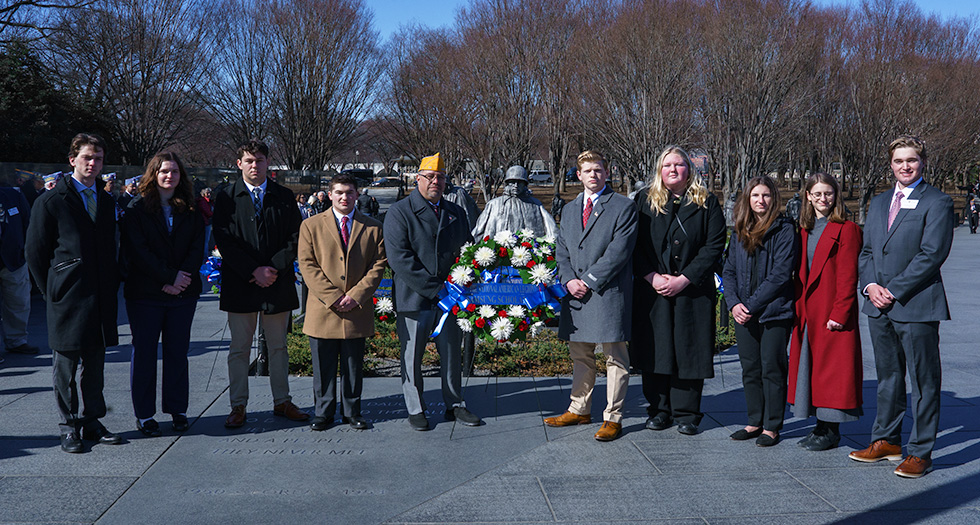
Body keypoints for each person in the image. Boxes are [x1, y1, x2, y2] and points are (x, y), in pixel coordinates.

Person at [850, 136, 953, 478]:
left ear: (922, 163)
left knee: (924, 380)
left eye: (911, 160)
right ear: (890, 164)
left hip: (916, 304)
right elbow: (867, 252)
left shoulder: (937, 202)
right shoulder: (879, 203)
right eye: (898, 161)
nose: (905, 166)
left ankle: (921, 451)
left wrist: (892, 290)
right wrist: (870, 286)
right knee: (888, 377)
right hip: (878, 305)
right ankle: (886, 441)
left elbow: (932, 254)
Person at [25, 133, 123, 453]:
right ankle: (69, 426)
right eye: (86, 158)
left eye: (98, 159)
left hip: (100, 294)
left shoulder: (107, 201)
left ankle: (92, 421)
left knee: (95, 363)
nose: (93, 164)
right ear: (72, 160)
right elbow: (36, 252)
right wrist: (52, 288)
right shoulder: (52, 201)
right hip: (67, 295)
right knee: (65, 365)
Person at [211, 138, 308, 428]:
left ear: (268, 163)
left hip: (276, 282)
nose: (255, 165)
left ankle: (282, 401)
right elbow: (223, 240)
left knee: (278, 347)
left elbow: (295, 237)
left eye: (260, 160)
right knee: (239, 348)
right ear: (239, 163)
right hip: (241, 283)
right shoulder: (226, 197)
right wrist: (253, 270)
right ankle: (238, 405)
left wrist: (272, 268)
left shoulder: (284, 195)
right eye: (249, 161)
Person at [631, 146, 726, 436]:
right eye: (667, 165)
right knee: (656, 348)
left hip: (692, 291)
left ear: (689, 169)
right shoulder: (644, 201)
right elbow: (632, 244)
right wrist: (651, 276)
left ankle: (687, 412)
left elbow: (714, 245)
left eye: (679, 165)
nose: (673, 170)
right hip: (653, 291)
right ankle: (659, 409)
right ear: (660, 170)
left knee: (689, 349)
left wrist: (685, 278)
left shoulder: (706, 202)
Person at [384, 152, 481, 431]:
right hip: (415, 296)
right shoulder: (400, 212)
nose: (435, 182)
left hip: (450, 298)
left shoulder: (456, 212)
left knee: (451, 352)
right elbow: (400, 259)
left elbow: (468, 250)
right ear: (418, 179)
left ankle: (455, 404)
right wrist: (437, 288)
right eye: (429, 177)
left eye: (440, 177)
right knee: (412, 355)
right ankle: (416, 408)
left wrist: (465, 279)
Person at [546, 150, 637, 442]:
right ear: (579, 175)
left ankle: (613, 417)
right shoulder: (571, 209)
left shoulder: (623, 207)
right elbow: (562, 249)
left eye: (598, 170)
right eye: (587, 171)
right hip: (575, 295)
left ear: (607, 172)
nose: (593, 176)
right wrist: (569, 279)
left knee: (615, 357)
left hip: (607, 291)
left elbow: (619, 252)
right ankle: (579, 408)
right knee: (581, 355)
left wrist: (587, 280)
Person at [121, 152, 205, 437]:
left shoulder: (190, 209)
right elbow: (138, 251)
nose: (170, 176)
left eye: (175, 172)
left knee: (177, 352)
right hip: (146, 293)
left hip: (182, 294)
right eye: (164, 171)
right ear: (153, 174)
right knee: (144, 354)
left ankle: (177, 409)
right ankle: (144, 414)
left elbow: (197, 248)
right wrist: (168, 277)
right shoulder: (136, 208)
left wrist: (181, 279)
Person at [298, 174, 386, 431]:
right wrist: (334, 297)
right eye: (339, 192)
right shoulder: (311, 225)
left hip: (356, 309)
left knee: (353, 366)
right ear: (330, 195)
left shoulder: (372, 226)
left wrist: (356, 295)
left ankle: (352, 411)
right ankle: (323, 412)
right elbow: (307, 264)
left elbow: (378, 264)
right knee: (323, 366)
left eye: (349, 192)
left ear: (357, 195)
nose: (344, 197)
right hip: (324, 308)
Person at [789, 173, 863, 451]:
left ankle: (831, 430)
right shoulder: (805, 229)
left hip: (832, 311)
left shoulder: (847, 229)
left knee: (833, 372)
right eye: (817, 194)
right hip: (808, 310)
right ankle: (819, 425)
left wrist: (840, 313)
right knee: (811, 368)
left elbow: (848, 277)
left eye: (828, 193)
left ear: (836, 195)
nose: (823, 199)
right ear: (807, 196)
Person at [723, 175, 797, 447]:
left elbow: (780, 275)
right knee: (750, 368)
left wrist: (751, 305)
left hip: (774, 312)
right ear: (748, 199)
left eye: (766, 195)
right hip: (743, 312)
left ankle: (772, 426)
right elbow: (728, 270)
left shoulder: (784, 229)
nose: (760, 200)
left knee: (772, 368)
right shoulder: (740, 229)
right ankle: (754, 421)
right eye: (755, 196)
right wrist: (733, 303)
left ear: (774, 199)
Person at [1, 183, 39, 357]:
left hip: (14, 260)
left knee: (19, 302)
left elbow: (28, 223)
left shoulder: (13, 195)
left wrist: (24, 251)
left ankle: (17, 341)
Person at [472, 166, 558, 240]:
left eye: (519, 182)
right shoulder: (494, 204)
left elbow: (552, 229)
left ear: (525, 184)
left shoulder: (535, 205)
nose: (516, 185)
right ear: (507, 183)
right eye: (512, 182)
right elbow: (479, 230)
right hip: (499, 253)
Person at [196, 187, 214, 253]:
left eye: (210, 193)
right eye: (207, 193)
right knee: (205, 241)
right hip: (205, 223)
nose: (209, 194)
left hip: (208, 222)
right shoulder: (203, 202)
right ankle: (204, 257)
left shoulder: (209, 201)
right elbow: (208, 212)